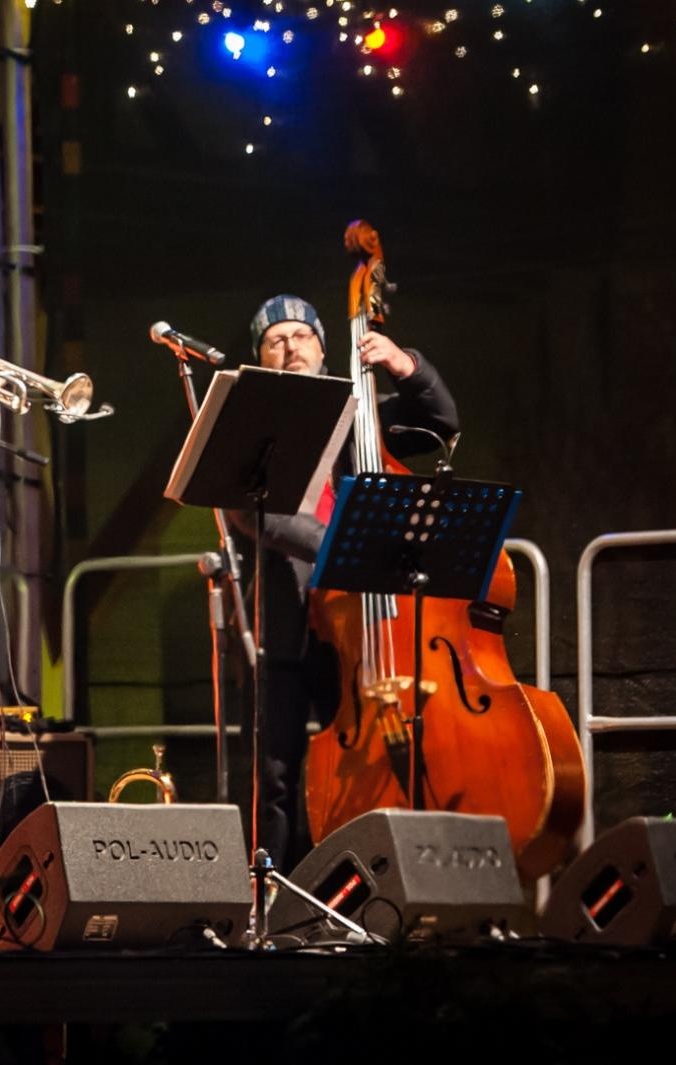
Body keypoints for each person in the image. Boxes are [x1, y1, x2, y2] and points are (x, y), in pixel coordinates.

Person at [233, 294, 460, 874]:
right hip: (290, 619)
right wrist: (350, 545)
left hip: (367, 628)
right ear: (261, 357)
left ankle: (366, 884)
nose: (290, 348)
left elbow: (442, 423)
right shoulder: (254, 427)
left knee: (368, 762)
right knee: (276, 774)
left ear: (323, 346)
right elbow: (258, 515)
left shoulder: (361, 413)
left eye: (301, 336)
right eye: (275, 341)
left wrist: (406, 366)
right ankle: (271, 894)